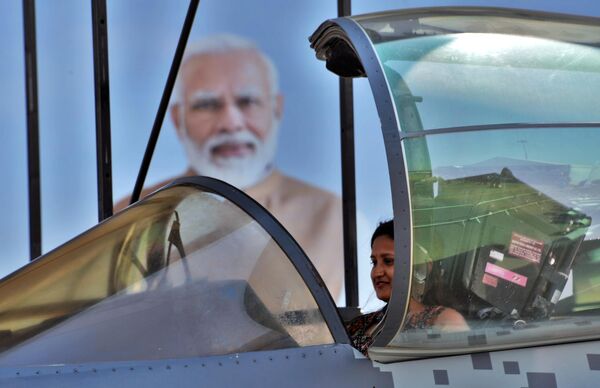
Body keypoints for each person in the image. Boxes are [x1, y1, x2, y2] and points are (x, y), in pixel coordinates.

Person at [114, 34, 343, 299]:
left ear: (276, 109)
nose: (231, 123)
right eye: (207, 105)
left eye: (247, 102)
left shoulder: (333, 216)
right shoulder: (132, 216)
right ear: (178, 119)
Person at [346, 220, 468, 356]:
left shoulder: (444, 321)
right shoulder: (358, 325)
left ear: (421, 266)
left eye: (388, 261)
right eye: (374, 262)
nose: (377, 272)